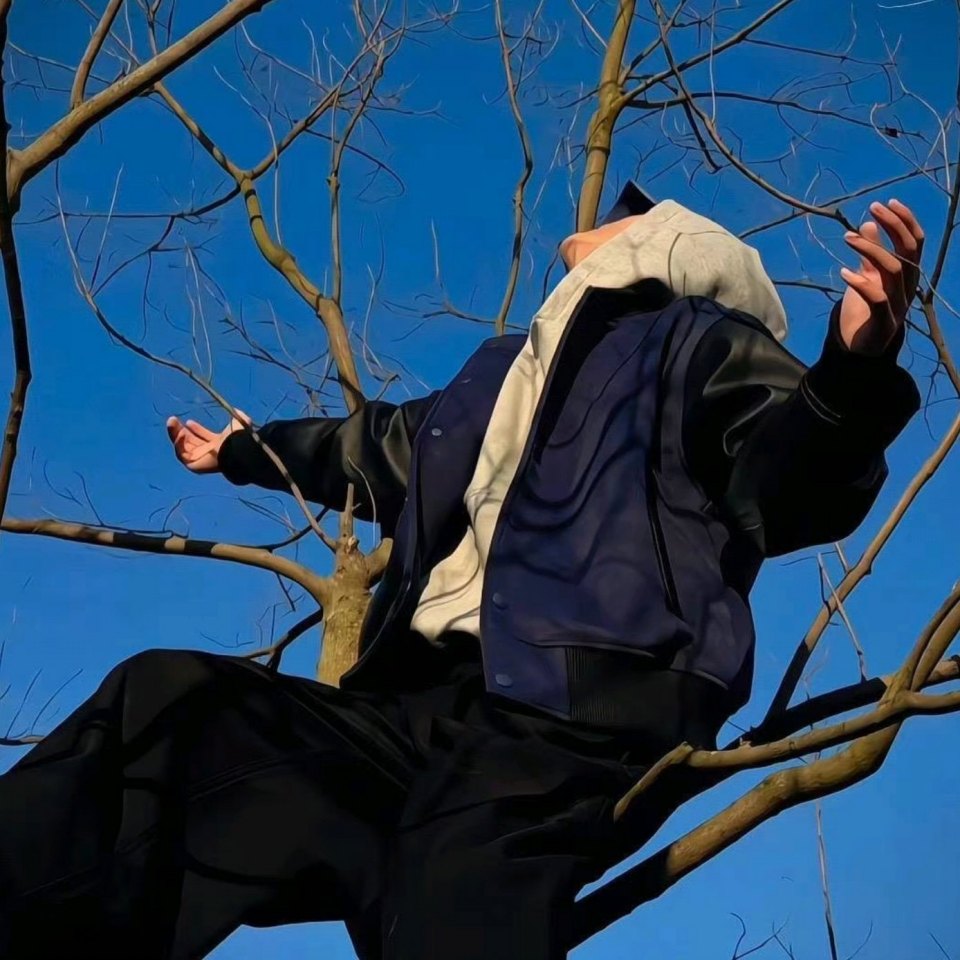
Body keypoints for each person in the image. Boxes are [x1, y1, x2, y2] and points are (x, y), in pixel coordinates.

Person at [0, 186, 922, 960]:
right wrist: (247, 452)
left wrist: (851, 375)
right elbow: (379, 448)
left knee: (450, 906)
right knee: (175, 711)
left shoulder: (698, 341)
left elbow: (790, 477)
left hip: (571, 716)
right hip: (410, 710)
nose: (598, 218)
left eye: (628, 213)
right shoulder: (506, 372)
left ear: (672, 246)